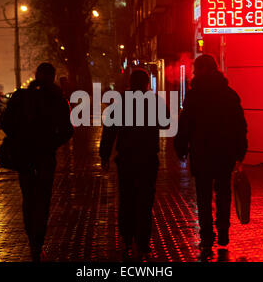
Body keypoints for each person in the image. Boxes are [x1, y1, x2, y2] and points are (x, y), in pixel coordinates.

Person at [174, 54, 247, 252]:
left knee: (203, 195)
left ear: (204, 70)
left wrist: (180, 147)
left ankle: (207, 235)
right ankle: (223, 231)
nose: (195, 73)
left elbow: (186, 123)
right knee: (223, 192)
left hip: (202, 152)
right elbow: (240, 125)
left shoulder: (194, 95)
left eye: (197, 69)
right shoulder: (229, 94)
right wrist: (241, 150)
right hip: (225, 152)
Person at [1, 62, 74, 262]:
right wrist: (51, 143)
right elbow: (68, 130)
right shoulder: (58, 99)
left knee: (28, 198)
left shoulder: (21, 96)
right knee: (42, 199)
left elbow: (5, 122)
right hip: (44, 157)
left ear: (36, 75)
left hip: (24, 155)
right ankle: (37, 242)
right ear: (52, 77)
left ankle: (31, 238)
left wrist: (18, 138)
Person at [99, 69, 165, 260]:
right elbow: (166, 122)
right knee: (145, 200)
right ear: (146, 84)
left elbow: (109, 130)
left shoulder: (119, 102)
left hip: (126, 158)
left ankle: (127, 239)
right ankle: (143, 242)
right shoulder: (153, 101)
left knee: (127, 199)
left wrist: (104, 154)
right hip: (148, 158)